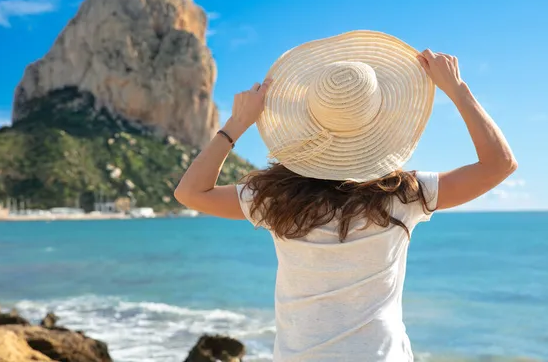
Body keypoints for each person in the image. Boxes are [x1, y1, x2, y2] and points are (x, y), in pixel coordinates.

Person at [175, 31, 516, 362]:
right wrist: (456, 89)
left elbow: (190, 192)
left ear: (309, 121)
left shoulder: (276, 199)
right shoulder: (403, 195)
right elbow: (499, 164)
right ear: (380, 125)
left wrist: (236, 123)